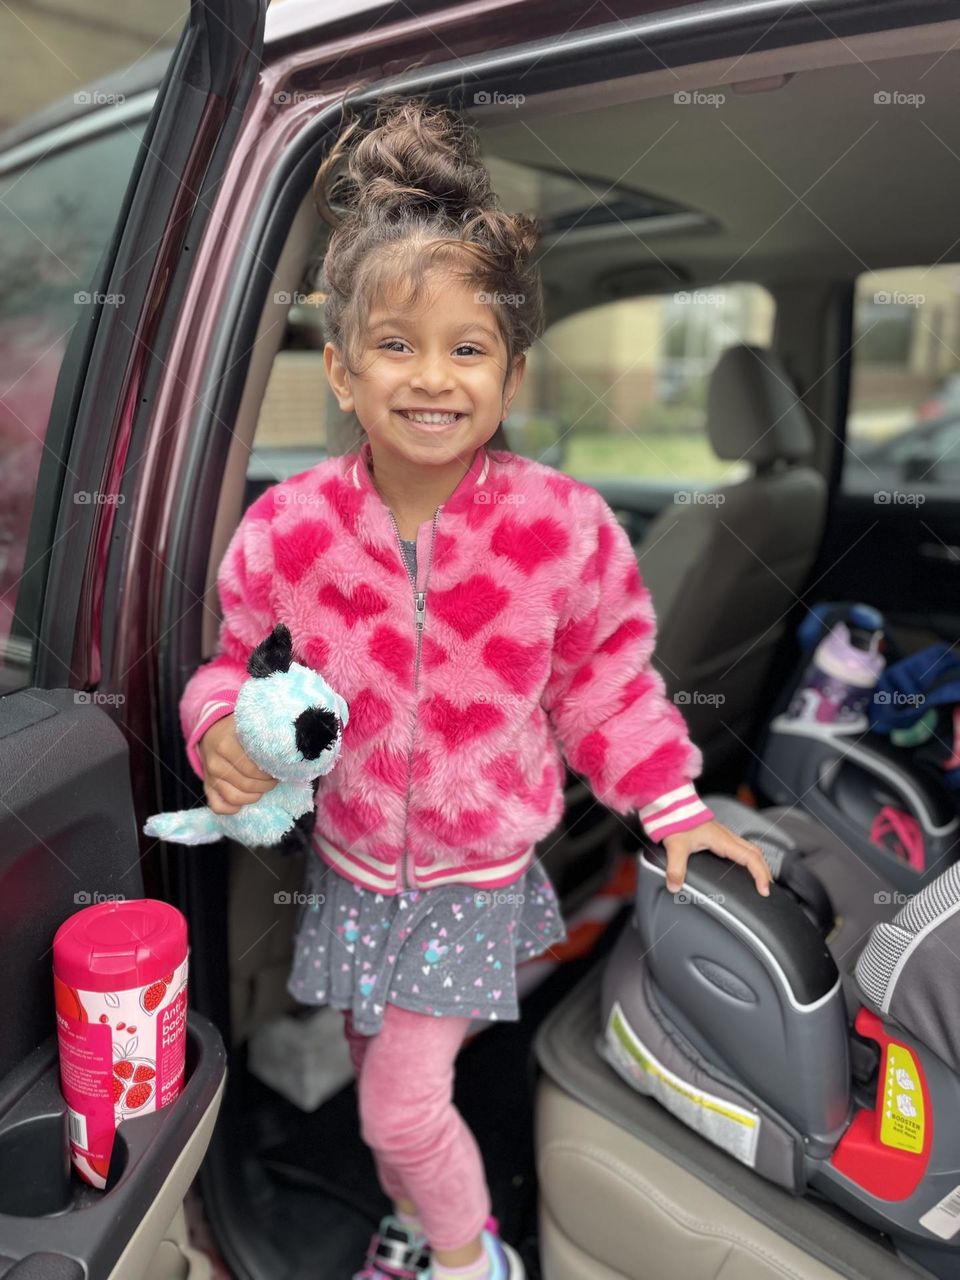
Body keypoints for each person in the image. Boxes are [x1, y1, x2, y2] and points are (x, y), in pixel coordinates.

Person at [179, 94, 772, 1280]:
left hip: (473, 884)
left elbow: (609, 690)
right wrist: (213, 732)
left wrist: (681, 814)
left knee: (399, 1103)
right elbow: (234, 668)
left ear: (509, 372)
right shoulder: (289, 531)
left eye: (468, 348)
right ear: (342, 372)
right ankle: (419, 1208)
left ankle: (466, 1255)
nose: (432, 378)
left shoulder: (558, 532)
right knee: (376, 1058)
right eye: (396, 346)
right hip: (350, 871)